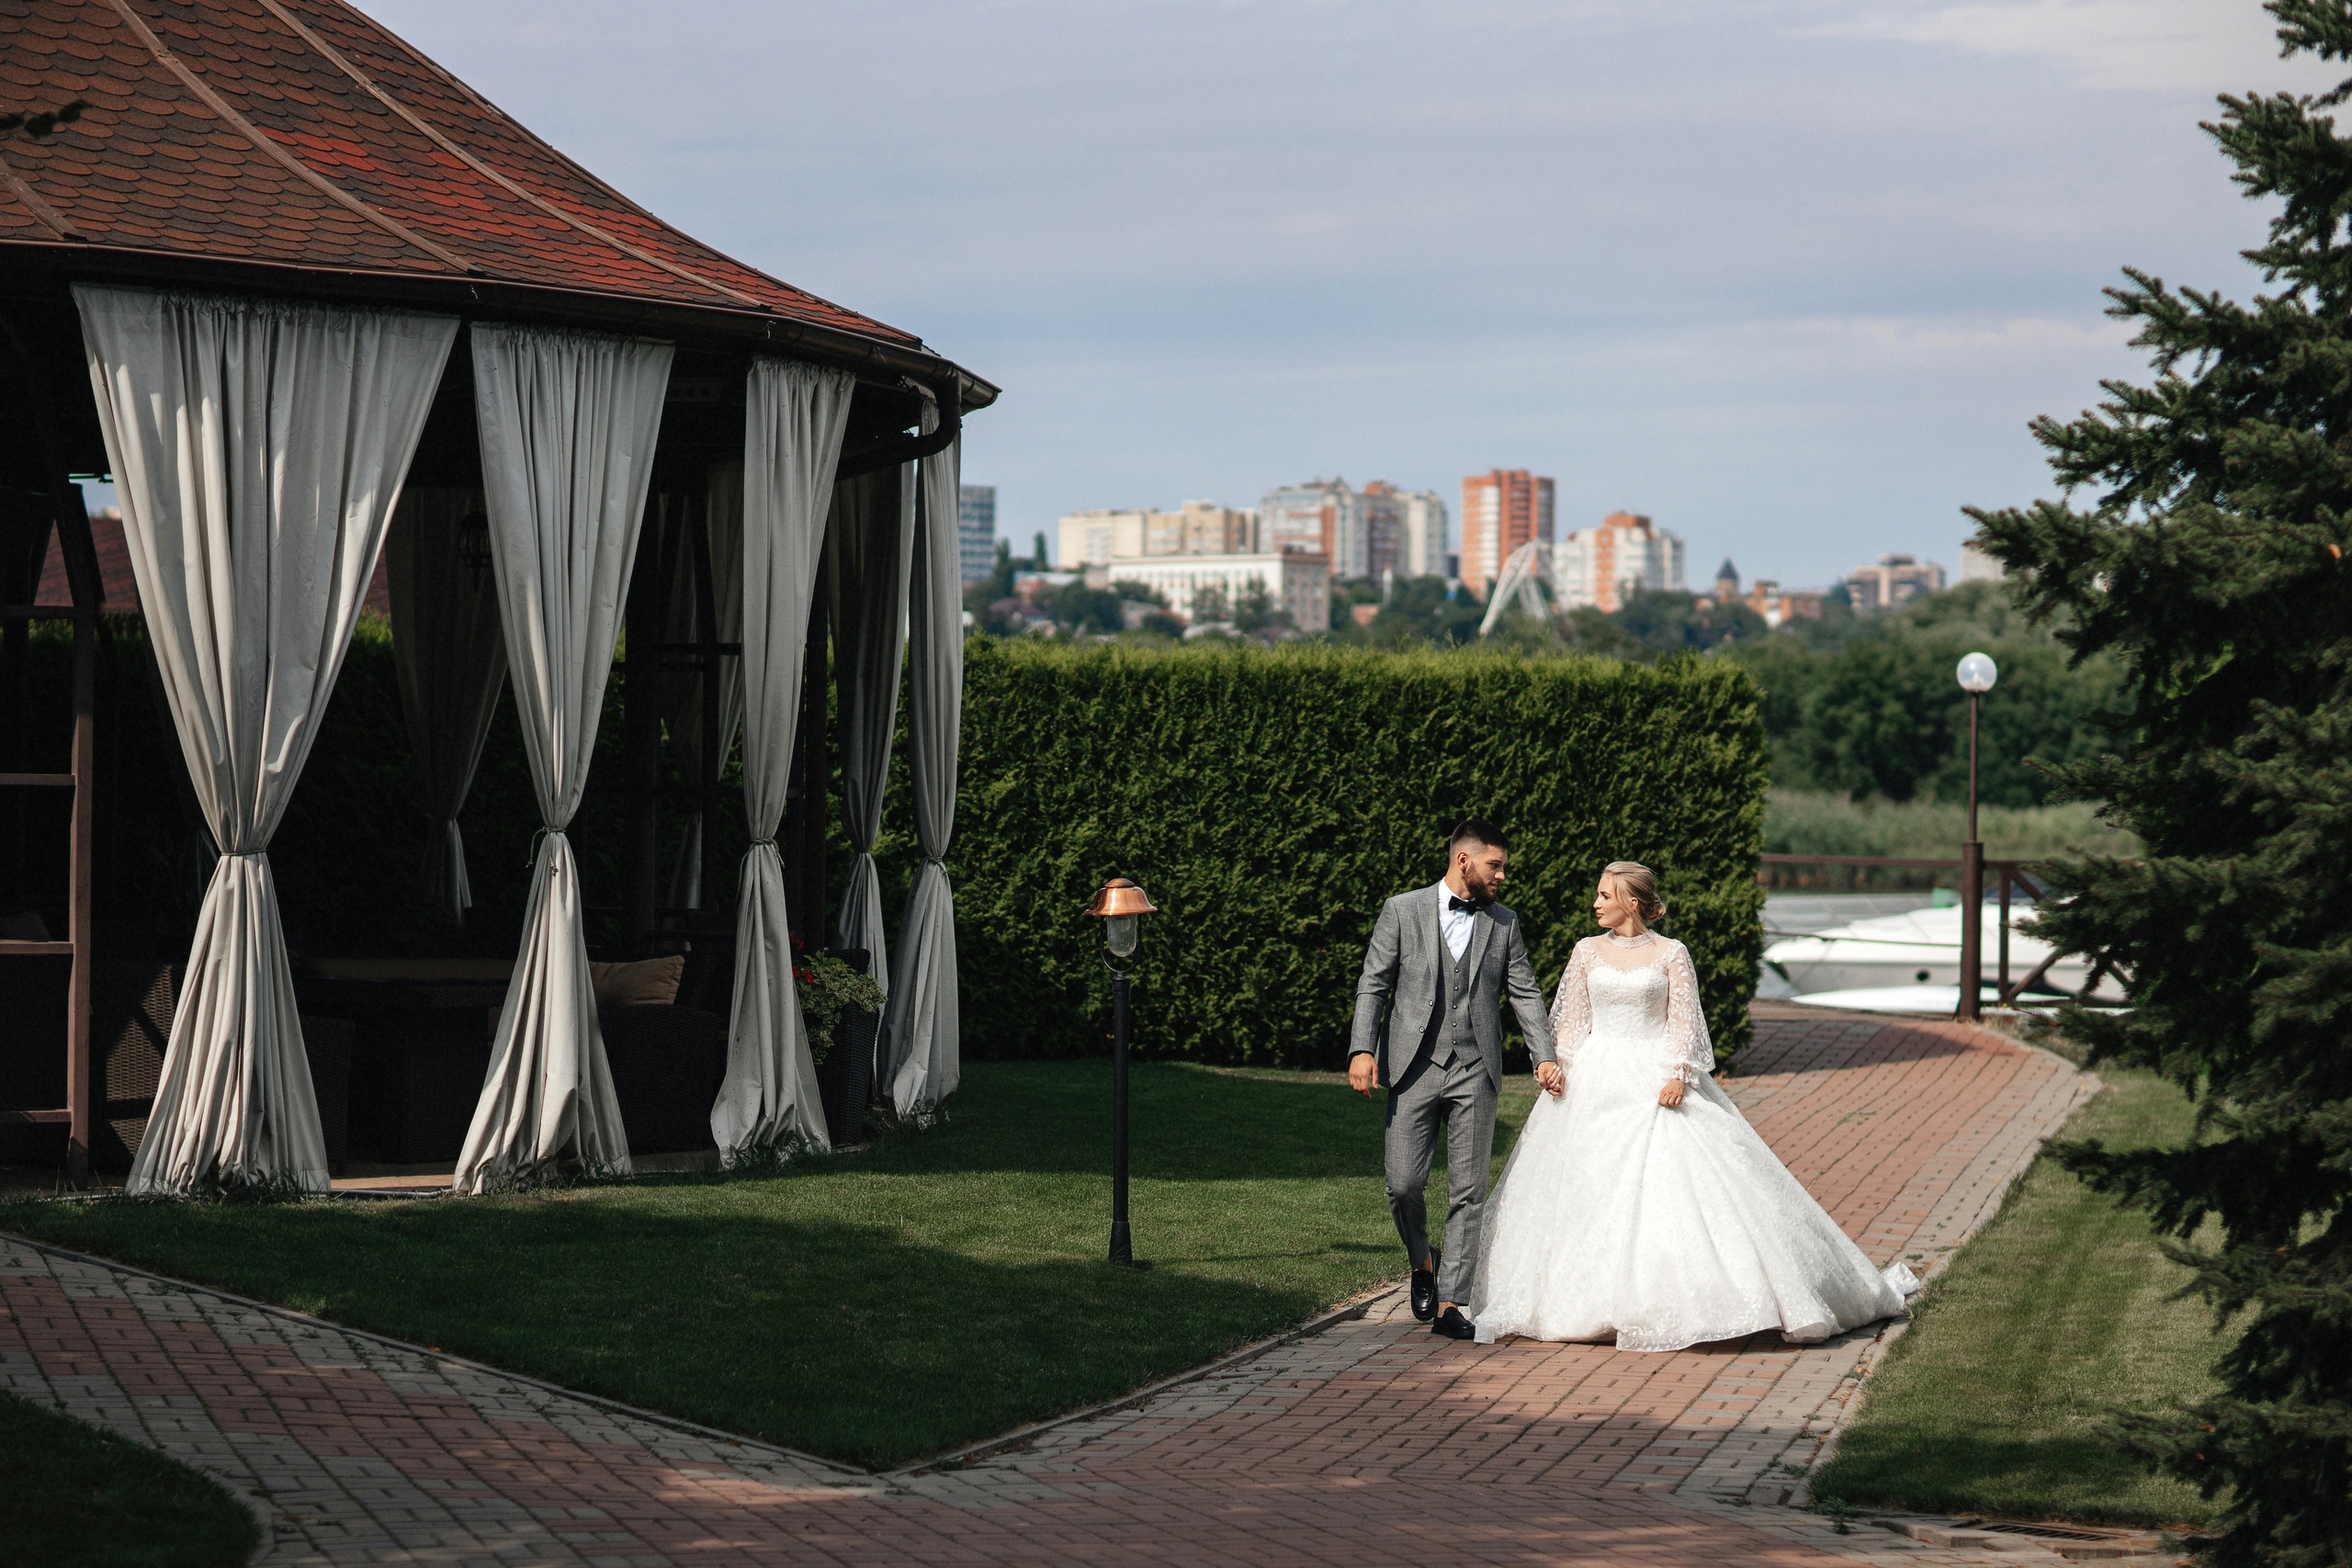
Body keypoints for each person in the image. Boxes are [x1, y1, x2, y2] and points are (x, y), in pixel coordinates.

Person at [1471, 861, 1917, 1350]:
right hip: (1594, 1079)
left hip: (1653, 1073)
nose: (1595, 903)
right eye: (1597, 895)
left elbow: (1684, 1021)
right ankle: (1583, 1302)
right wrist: (1558, 1067)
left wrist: (1677, 1074)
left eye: (1604, 895)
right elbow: (1573, 1022)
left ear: (1632, 902)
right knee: (1585, 1185)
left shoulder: (1671, 954)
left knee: (1674, 1183)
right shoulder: (1585, 952)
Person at [1350, 819, 1559, 1341]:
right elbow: (1373, 985)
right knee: (1403, 1184)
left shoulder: (1504, 923)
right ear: (1464, 860)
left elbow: (1526, 994)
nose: (1503, 875)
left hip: (1476, 1069)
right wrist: (1361, 1048)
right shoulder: (1402, 910)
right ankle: (1423, 1258)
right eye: (1496, 865)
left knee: (1468, 1192)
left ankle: (1451, 1303)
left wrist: (1544, 1056)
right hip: (1413, 1066)